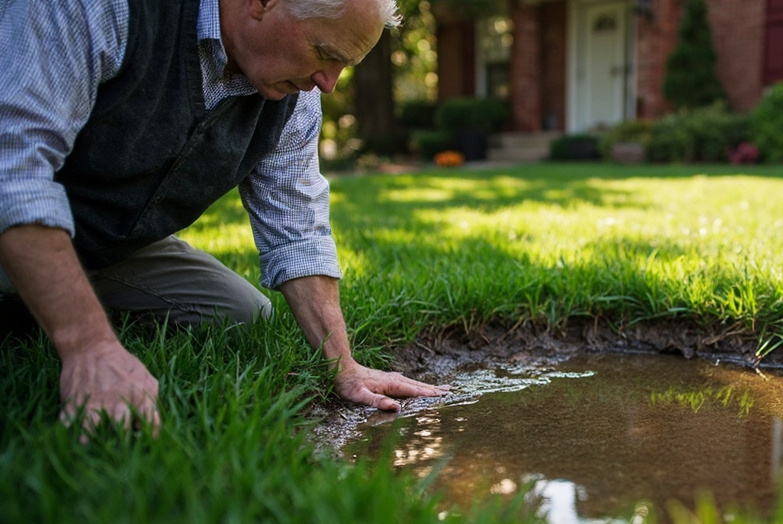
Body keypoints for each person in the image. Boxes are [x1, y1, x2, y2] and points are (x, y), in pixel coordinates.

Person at [0, 0, 448, 434]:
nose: (328, 83)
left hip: (109, 243)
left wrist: (343, 366)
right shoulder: (102, 7)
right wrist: (89, 347)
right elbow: (13, 172)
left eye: (343, 65)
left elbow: (297, 227)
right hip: (16, 211)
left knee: (242, 316)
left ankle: (38, 297)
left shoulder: (295, 94)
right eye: (325, 53)